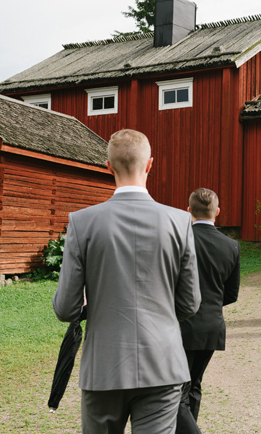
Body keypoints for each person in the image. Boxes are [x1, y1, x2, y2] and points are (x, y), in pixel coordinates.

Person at [53, 129, 200, 434]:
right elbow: (189, 302)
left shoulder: (82, 222)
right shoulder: (179, 221)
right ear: (149, 165)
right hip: (162, 363)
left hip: (103, 365)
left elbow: (66, 309)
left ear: (108, 166)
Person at [176, 188, 241, 434]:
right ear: (218, 212)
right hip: (212, 325)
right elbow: (231, 294)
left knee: (177, 390)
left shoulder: (180, 239)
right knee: (194, 385)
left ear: (188, 210)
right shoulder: (231, 245)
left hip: (181, 325)